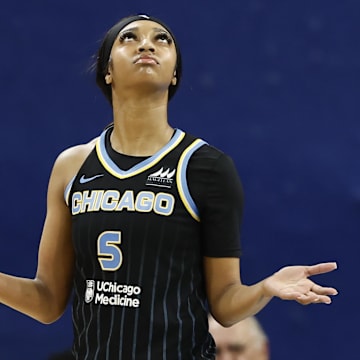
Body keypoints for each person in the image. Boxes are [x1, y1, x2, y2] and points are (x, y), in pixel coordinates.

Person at [0, 13, 338, 360]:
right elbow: (47, 302)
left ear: (174, 73)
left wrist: (264, 288)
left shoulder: (205, 166)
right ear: (107, 71)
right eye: (129, 37)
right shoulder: (71, 167)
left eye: (162, 39)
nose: (147, 43)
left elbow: (224, 303)